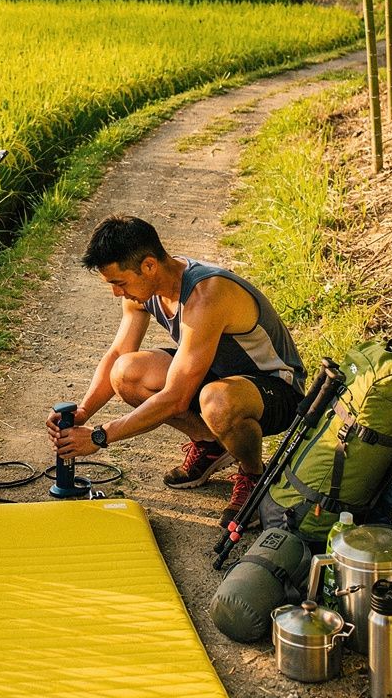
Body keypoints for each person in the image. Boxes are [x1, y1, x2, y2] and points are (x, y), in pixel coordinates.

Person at [47, 215, 305, 527]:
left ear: (149, 266)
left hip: (276, 389)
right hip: (218, 377)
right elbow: (118, 351)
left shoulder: (206, 295)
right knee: (125, 373)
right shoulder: (144, 291)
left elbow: (176, 398)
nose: (117, 293)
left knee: (216, 402)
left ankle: (253, 475)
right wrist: (84, 411)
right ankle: (211, 446)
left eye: (119, 283)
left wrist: (100, 437)